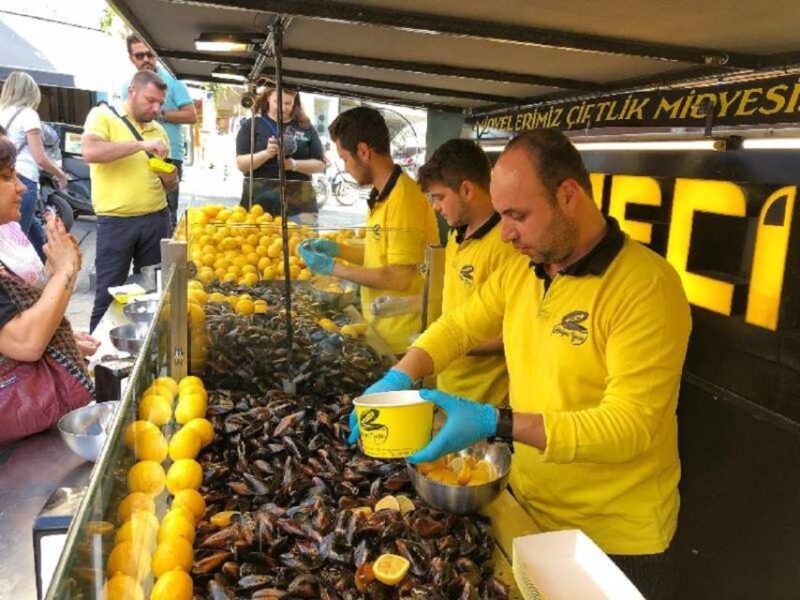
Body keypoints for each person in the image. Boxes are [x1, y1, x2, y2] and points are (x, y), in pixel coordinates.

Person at [356, 129, 692, 598]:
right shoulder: (523, 269)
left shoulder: (646, 287)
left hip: (613, 538)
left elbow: (631, 425)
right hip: (527, 507)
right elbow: (459, 326)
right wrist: (400, 375)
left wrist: (497, 421)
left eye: (517, 215)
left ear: (568, 195)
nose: (506, 232)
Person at [298, 106, 439, 355]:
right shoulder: (382, 195)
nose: (345, 167)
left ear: (363, 152)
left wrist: (333, 268)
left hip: (401, 340)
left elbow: (399, 277)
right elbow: (379, 258)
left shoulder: (403, 199)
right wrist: (337, 249)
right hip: (380, 328)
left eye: (345, 158)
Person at [0, 131, 97, 446]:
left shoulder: (9, 231)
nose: (22, 186)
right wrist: (64, 271)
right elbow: (26, 342)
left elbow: (15, 308)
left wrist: (53, 272)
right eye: (7, 177)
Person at [411, 138, 517, 407]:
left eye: (439, 197)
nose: (435, 207)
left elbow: (512, 336)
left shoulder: (508, 245)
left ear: (467, 190)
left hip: (484, 403)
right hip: (449, 387)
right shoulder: (456, 234)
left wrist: (445, 344)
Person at [83, 70, 177, 331]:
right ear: (132, 91)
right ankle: (96, 353)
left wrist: (170, 178)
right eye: (150, 100)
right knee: (108, 292)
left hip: (156, 218)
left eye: (160, 103)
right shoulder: (103, 116)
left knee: (154, 292)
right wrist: (141, 145)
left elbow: (168, 182)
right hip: (116, 222)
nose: (156, 109)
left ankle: (146, 347)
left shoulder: (158, 130)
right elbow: (90, 151)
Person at [121, 35, 197, 230]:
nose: (146, 59)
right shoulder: (127, 85)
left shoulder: (173, 81)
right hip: (135, 156)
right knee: (137, 213)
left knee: (167, 214)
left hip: (169, 156)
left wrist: (159, 113)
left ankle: (165, 247)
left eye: (150, 54)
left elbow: (191, 115)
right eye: (140, 55)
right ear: (131, 58)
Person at [0, 71, 69, 261]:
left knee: (32, 231)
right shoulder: (28, 115)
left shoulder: (2, 111)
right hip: (22, 179)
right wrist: (60, 174)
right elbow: (40, 158)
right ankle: (22, 278)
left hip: (4, 178)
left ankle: (54, 269)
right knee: (15, 242)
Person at [235, 85, 325, 216]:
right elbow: (242, 164)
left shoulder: (306, 127)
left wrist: (293, 165)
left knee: (301, 230)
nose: (282, 108)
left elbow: (320, 165)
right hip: (259, 200)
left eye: (288, 103)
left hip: (299, 201)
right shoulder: (252, 125)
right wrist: (267, 153)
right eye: (277, 102)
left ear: (295, 101)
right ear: (268, 98)